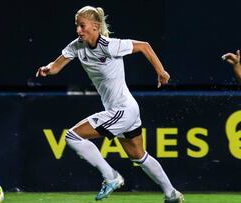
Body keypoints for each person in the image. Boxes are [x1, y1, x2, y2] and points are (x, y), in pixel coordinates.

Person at [36, 5, 184, 203]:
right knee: (139, 155)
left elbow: (144, 46)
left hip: (122, 110)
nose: (79, 30)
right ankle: (171, 194)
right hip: (125, 109)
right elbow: (56, 66)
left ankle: (111, 176)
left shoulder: (109, 45)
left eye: (82, 25)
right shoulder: (76, 46)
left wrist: (161, 71)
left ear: (96, 26)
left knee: (72, 136)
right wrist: (47, 69)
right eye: (77, 26)